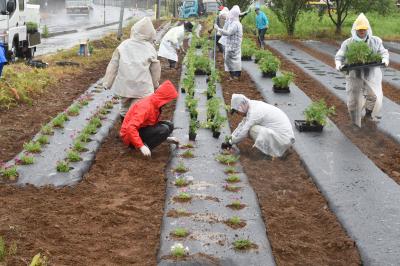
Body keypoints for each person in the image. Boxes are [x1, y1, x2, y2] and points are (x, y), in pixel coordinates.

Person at [335, 13, 389, 128]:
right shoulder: (348, 43)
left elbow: (383, 52)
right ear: (355, 30)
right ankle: (355, 121)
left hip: (371, 73)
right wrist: (339, 64)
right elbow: (339, 57)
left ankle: (368, 114)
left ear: (367, 29)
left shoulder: (375, 41)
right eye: (360, 30)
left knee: (373, 95)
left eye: (364, 29)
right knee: (353, 98)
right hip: (355, 74)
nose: (362, 32)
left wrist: (385, 59)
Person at [103, 17, 161, 120]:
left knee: (124, 108)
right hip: (142, 87)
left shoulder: (123, 45)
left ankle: (124, 127)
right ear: (150, 34)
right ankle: (133, 130)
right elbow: (155, 68)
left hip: (124, 86)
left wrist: (107, 83)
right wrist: (155, 83)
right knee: (137, 110)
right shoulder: (149, 48)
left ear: (134, 30)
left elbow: (113, 64)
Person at [221, 94, 295, 159]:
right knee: (251, 129)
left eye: (237, 111)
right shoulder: (251, 106)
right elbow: (242, 125)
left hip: (282, 137)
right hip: (281, 135)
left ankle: (271, 153)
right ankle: (282, 148)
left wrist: (230, 142)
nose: (238, 114)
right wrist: (230, 139)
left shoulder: (254, 112)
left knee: (252, 130)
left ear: (241, 106)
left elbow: (244, 131)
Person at [120, 80, 179, 157]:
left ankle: (147, 143)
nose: (168, 102)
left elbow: (150, 123)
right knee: (164, 129)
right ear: (163, 98)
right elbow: (130, 128)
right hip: (130, 137)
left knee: (169, 125)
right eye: (168, 100)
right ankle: (142, 148)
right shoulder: (145, 107)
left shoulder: (155, 103)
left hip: (141, 129)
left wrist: (166, 138)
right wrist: (141, 146)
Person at [214, 5, 243, 80]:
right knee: (233, 60)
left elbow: (228, 32)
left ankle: (234, 76)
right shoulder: (234, 22)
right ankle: (235, 75)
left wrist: (218, 29)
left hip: (233, 45)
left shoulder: (235, 24)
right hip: (232, 44)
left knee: (230, 60)